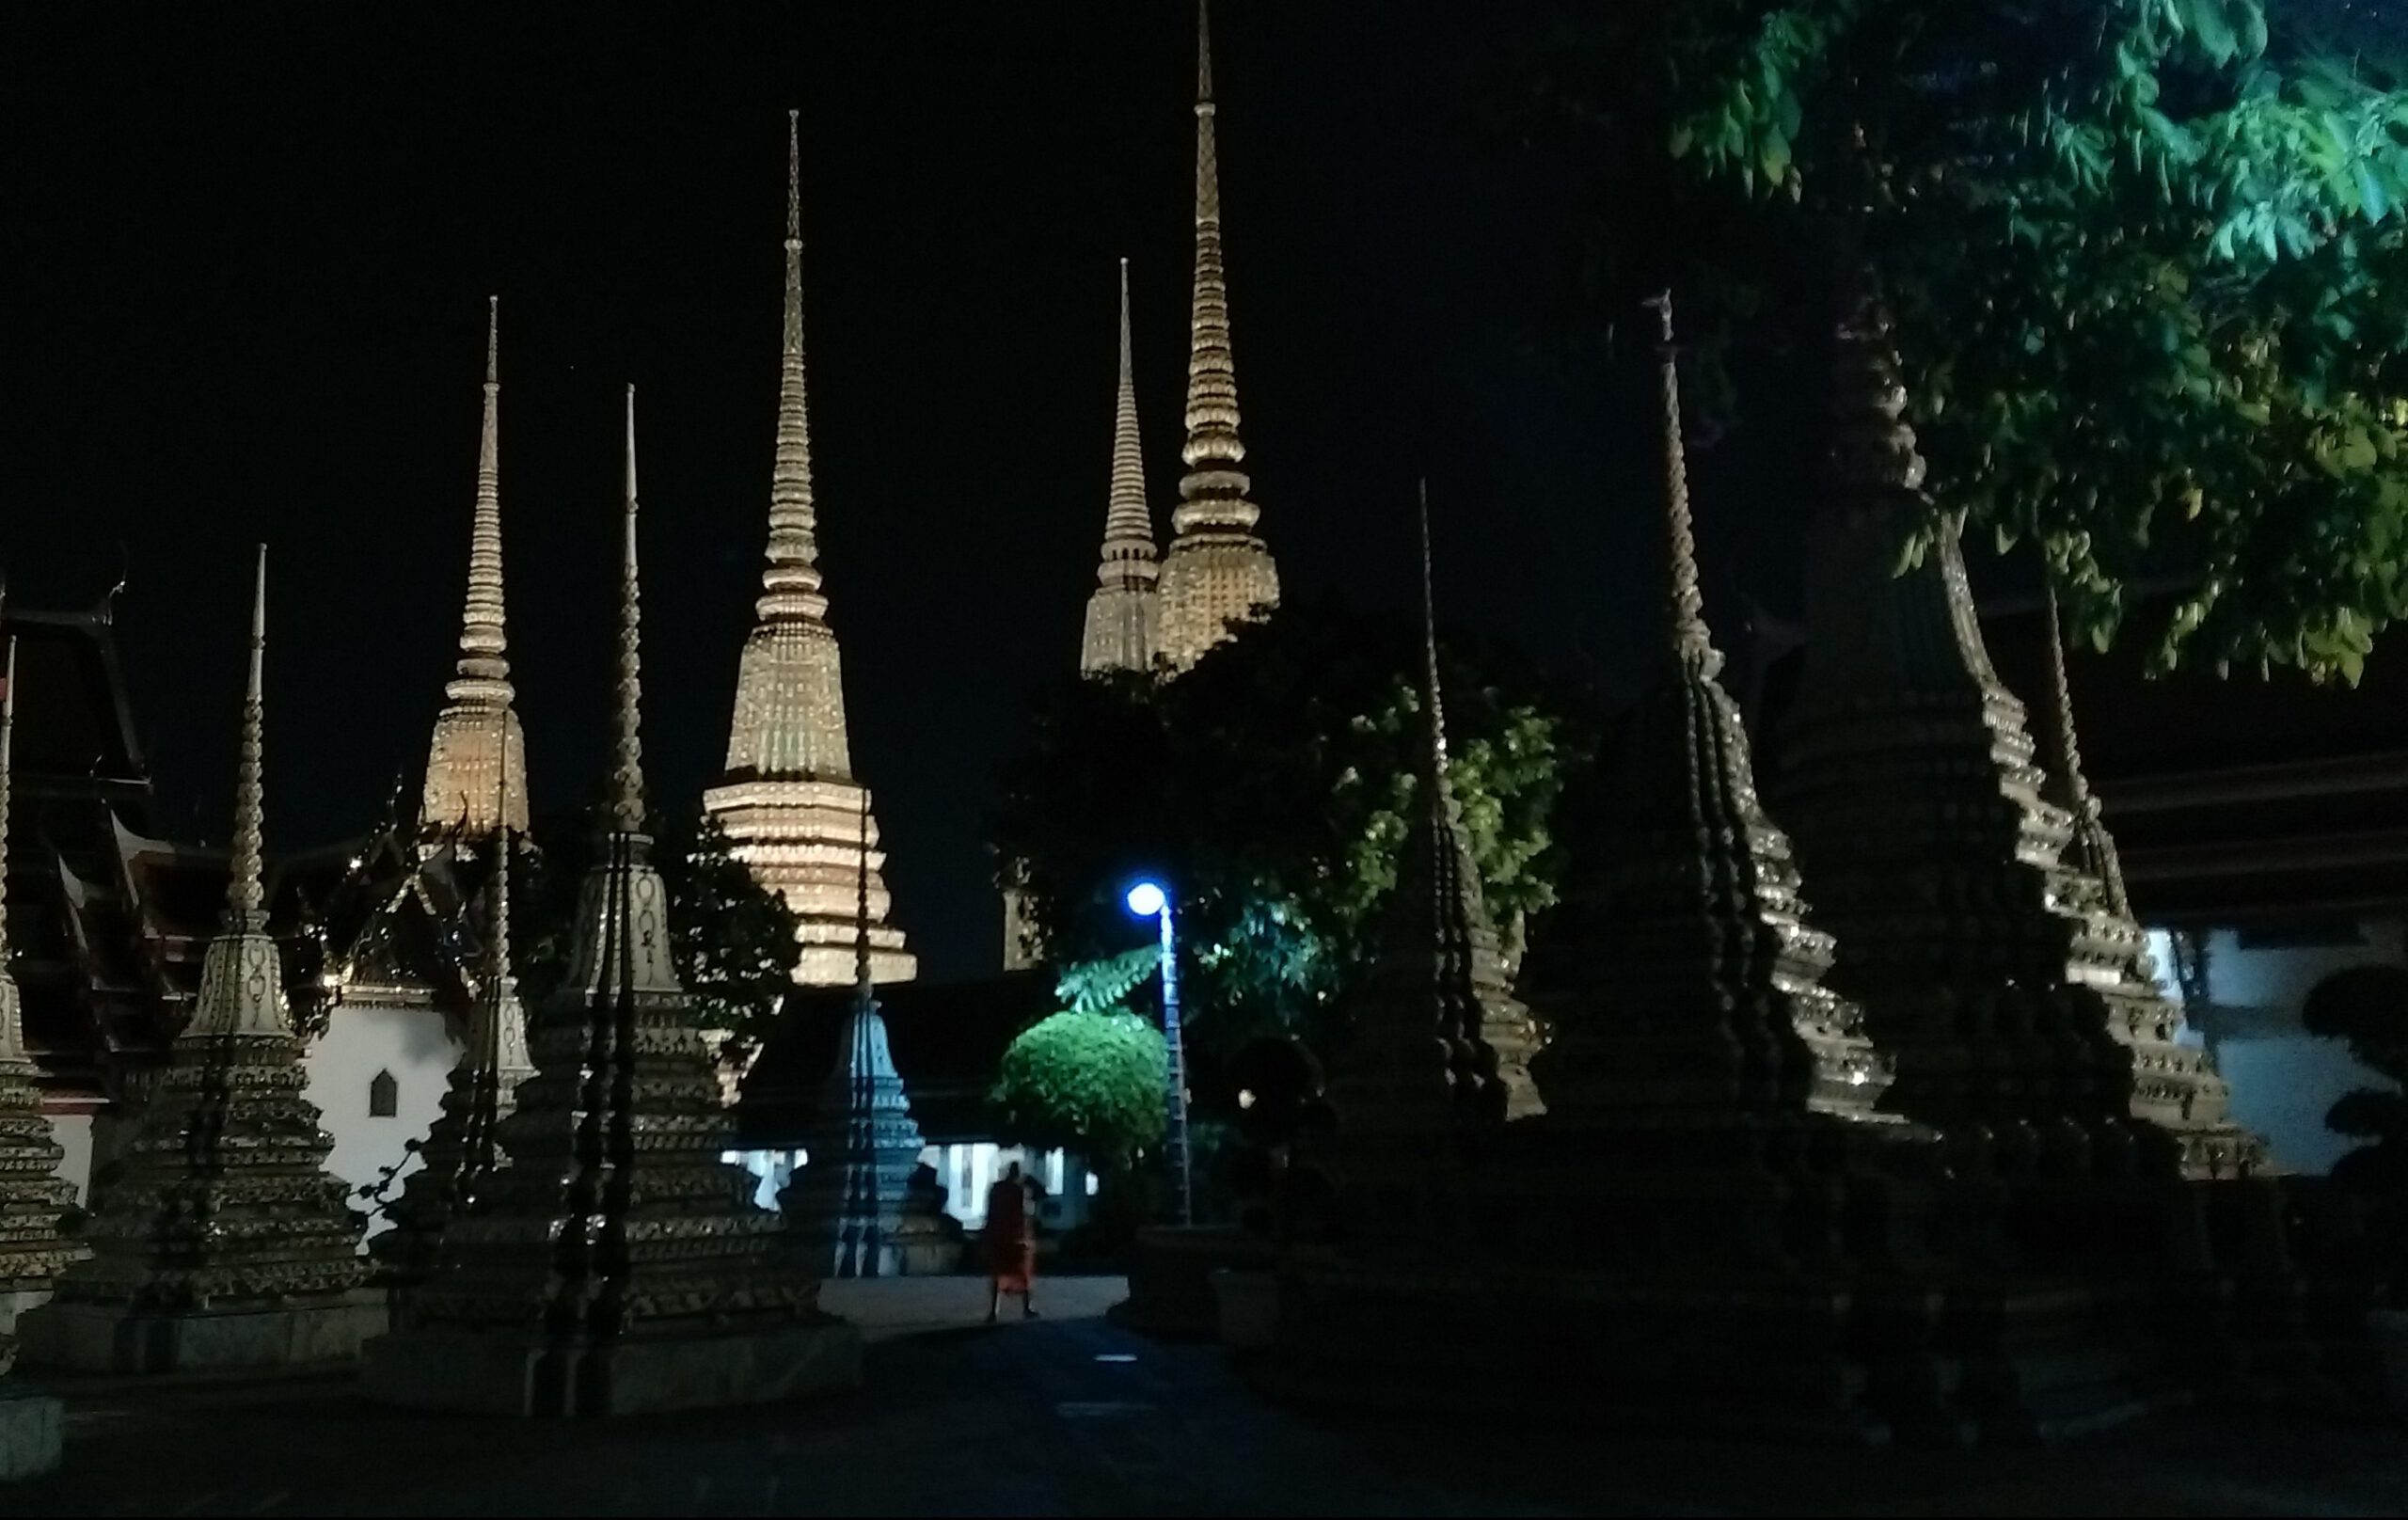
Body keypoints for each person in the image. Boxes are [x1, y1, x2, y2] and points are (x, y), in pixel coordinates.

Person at [984, 1159, 1038, 1323]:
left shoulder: (997, 1189)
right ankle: (1027, 1308)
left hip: (998, 1235)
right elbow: (1025, 1213)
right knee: (1023, 1273)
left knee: (997, 1273)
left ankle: (993, 1310)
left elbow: (990, 1211)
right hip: (1017, 1237)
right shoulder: (1021, 1190)